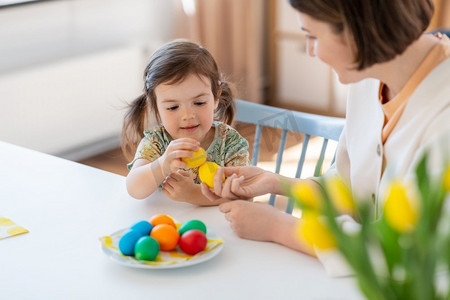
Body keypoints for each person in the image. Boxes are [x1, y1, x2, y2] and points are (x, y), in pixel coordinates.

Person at [201, 0, 450, 257]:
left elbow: (401, 250)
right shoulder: (368, 77)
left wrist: (278, 226)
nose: (311, 51)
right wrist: (275, 182)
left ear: (358, 31)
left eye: (312, 36)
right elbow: (351, 191)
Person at [122, 40, 249, 206]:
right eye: (173, 107)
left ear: (216, 98)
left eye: (199, 103)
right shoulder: (156, 142)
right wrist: (162, 165)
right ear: (155, 108)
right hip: (168, 226)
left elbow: (243, 194)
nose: (188, 115)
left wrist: (193, 195)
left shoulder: (230, 142)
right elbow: (134, 188)